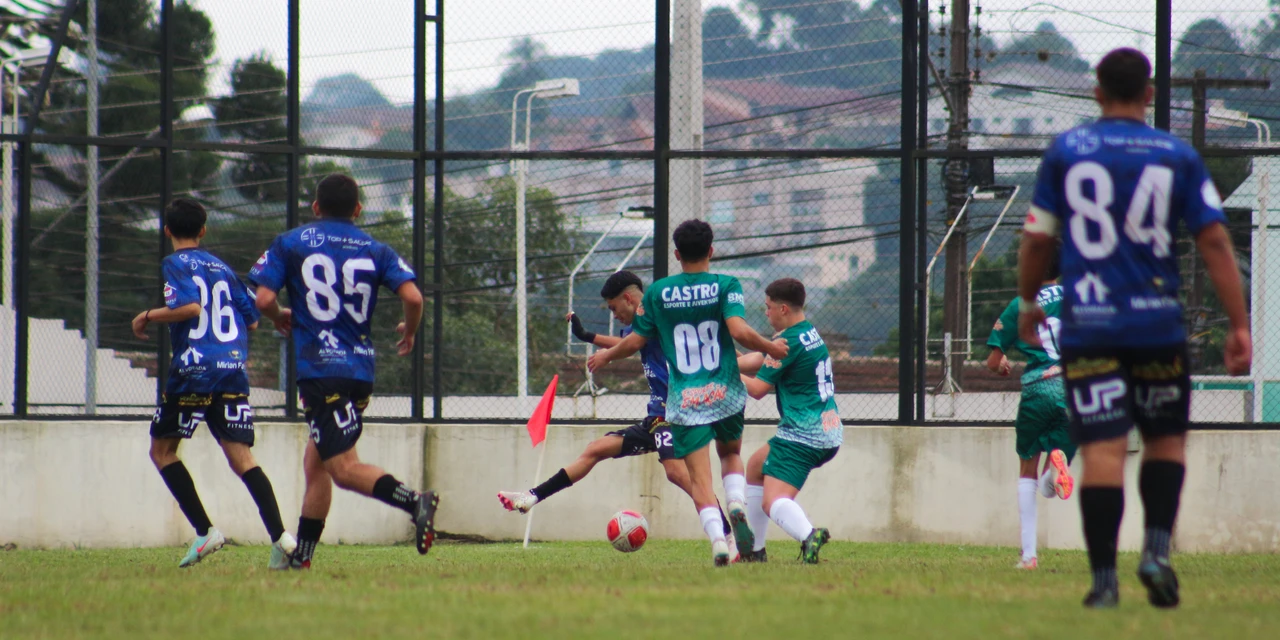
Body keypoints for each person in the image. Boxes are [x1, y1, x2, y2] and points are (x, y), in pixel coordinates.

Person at [1016, 48, 1251, 608]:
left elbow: (1037, 239)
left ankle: (1102, 581)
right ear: (1149, 94)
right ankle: (1155, 550)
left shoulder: (1067, 152)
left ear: (1095, 93)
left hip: (1089, 328)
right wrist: (1239, 324)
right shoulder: (1176, 154)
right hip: (1157, 328)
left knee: (1101, 447)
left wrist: (1028, 301)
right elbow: (1215, 240)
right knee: (1166, 440)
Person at [249, 174, 440, 568]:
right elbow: (414, 297)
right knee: (316, 462)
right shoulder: (376, 248)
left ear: (315, 207)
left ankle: (415, 502)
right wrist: (410, 331)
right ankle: (301, 557)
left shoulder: (291, 242)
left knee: (343, 468)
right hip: (359, 372)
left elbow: (263, 297)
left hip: (321, 370)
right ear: (358, 209)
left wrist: (276, 316)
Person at [588, 220, 788, 566]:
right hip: (725, 390)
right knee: (729, 456)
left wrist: (606, 353)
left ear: (677, 254)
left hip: (684, 401)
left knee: (699, 479)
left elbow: (636, 341)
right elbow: (739, 331)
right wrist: (771, 346)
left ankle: (719, 544)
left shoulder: (657, 293)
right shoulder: (727, 285)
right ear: (711, 250)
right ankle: (737, 502)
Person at [497, 271, 735, 555]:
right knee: (596, 449)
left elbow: (630, 345)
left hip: (675, 411)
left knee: (676, 473)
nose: (615, 315)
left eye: (614, 308)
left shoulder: (657, 314)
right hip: (657, 416)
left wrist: (605, 355)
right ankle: (531, 497)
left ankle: (728, 536)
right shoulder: (643, 325)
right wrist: (587, 336)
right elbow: (630, 341)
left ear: (628, 298)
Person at [132, 198, 295, 569]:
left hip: (194, 369)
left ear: (167, 230)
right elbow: (251, 319)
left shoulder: (174, 263)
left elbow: (190, 308)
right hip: (231, 369)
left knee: (162, 451)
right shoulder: (221, 266)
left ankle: (206, 532)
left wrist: (145, 316)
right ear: (203, 230)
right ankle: (283, 539)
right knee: (243, 458)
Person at [736, 278, 840, 564]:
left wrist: (723, 374)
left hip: (802, 436)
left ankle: (809, 535)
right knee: (756, 466)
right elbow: (763, 358)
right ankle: (755, 552)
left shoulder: (789, 341)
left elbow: (757, 390)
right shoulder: (806, 333)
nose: (765, 312)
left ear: (783, 308)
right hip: (826, 432)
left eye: (768, 307)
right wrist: (728, 361)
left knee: (773, 501)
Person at [985, 254, 1075, 570]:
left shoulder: (1020, 305)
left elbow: (994, 361)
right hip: (1073, 388)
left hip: (1038, 386)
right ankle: (1055, 469)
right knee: (1054, 473)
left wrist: (1003, 366)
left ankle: (1029, 556)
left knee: (1027, 470)